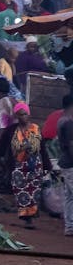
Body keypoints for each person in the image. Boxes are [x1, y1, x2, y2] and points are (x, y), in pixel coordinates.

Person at [0, 102, 53, 228]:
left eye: (24, 114)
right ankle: (26, 217)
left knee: (34, 192)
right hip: (18, 166)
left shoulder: (36, 129)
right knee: (21, 191)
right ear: (16, 116)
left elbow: (42, 149)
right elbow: (0, 147)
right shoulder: (11, 131)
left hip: (35, 166)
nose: (23, 117)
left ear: (28, 114)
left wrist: (47, 166)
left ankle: (30, 217)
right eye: (20, 115)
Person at [58, 94, 73, 238]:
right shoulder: (68, 123)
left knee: (69, 196)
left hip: (65, 162)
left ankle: (69, 227)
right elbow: (71, 145)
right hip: (70, 163)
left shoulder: (61, 120)